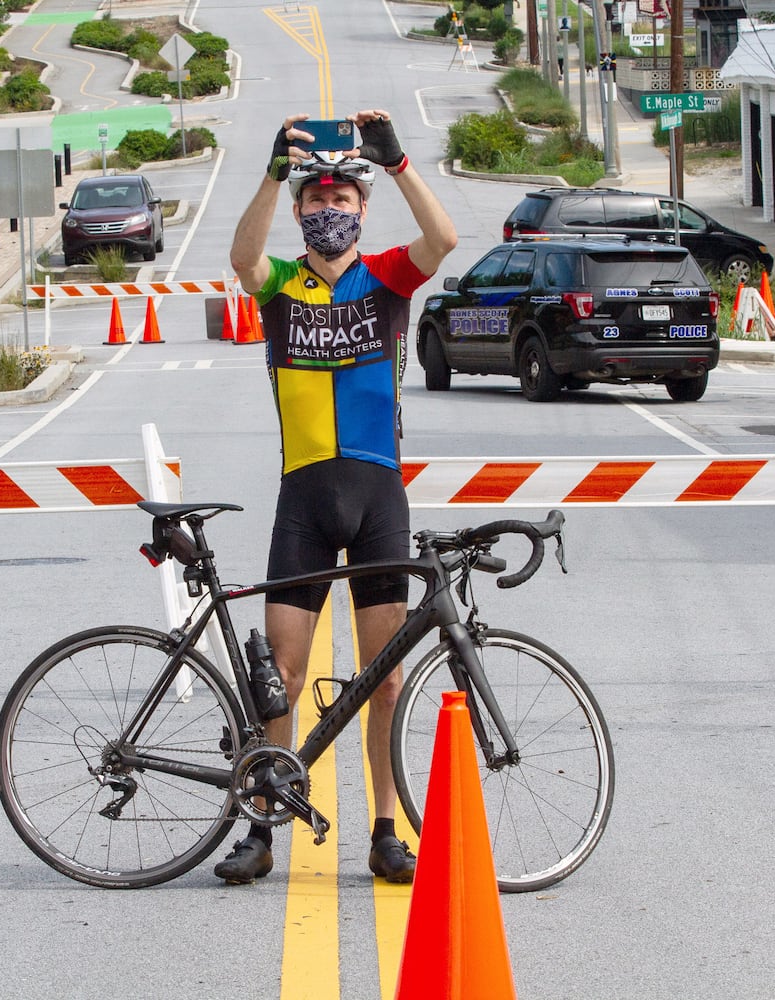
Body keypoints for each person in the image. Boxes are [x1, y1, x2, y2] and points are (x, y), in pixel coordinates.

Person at [220, 110, 457, 885]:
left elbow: (445, 241)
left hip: (377, 494)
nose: (329, 209)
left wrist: (397, 163)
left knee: (383, 678)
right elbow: (242, 259)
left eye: (342, 200)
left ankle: (386, 829)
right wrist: (267, 172)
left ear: (361, 211)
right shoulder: (283, 283)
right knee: (279, 679)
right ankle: (261, 826)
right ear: (300, 211)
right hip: (305, 499)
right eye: (315, 199)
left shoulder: (387, 276)